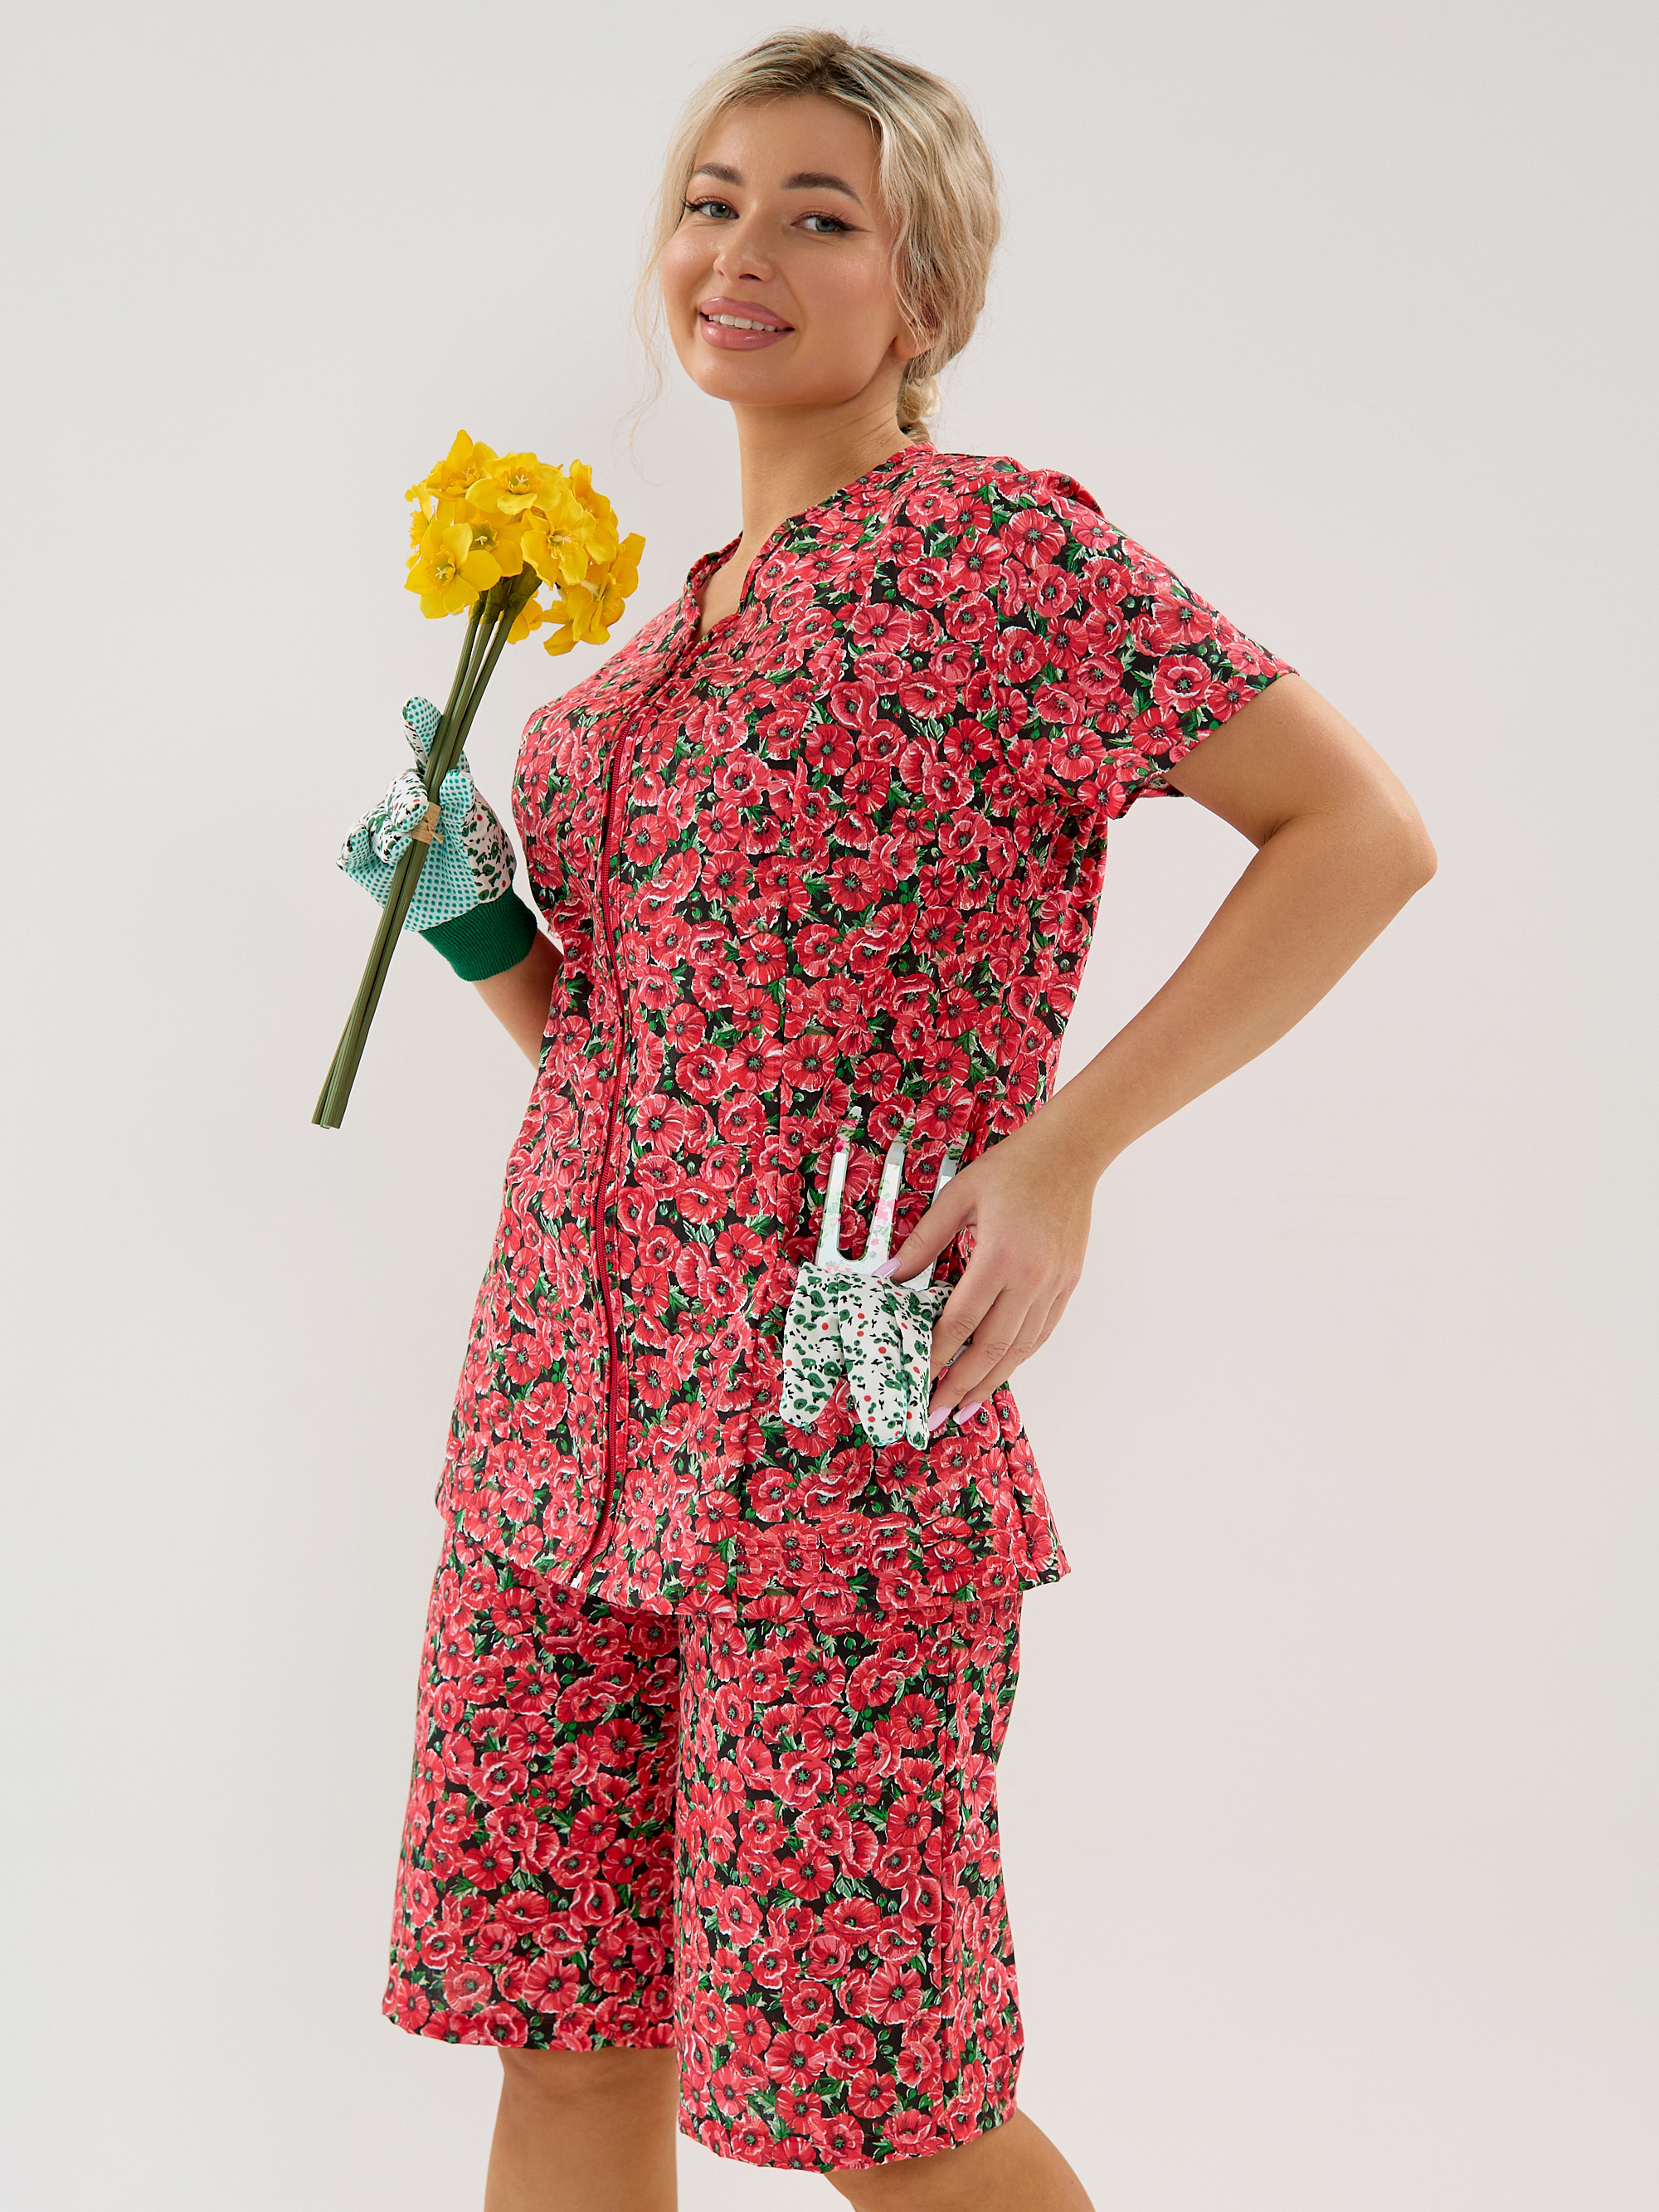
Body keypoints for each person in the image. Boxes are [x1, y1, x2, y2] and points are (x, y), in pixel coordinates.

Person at [345, 30, 1436, 2212]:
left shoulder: (989, 556)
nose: (742, 251)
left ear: (923, 293)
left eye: (818, 215)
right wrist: (488, 941)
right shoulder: (642, 653)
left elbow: (1358, 832)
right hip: (564, 1421)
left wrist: (1061, 1154)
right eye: (712, 202)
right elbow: (650, 1072)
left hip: (831, 1425)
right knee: (564, 2043)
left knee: (876, 2092)